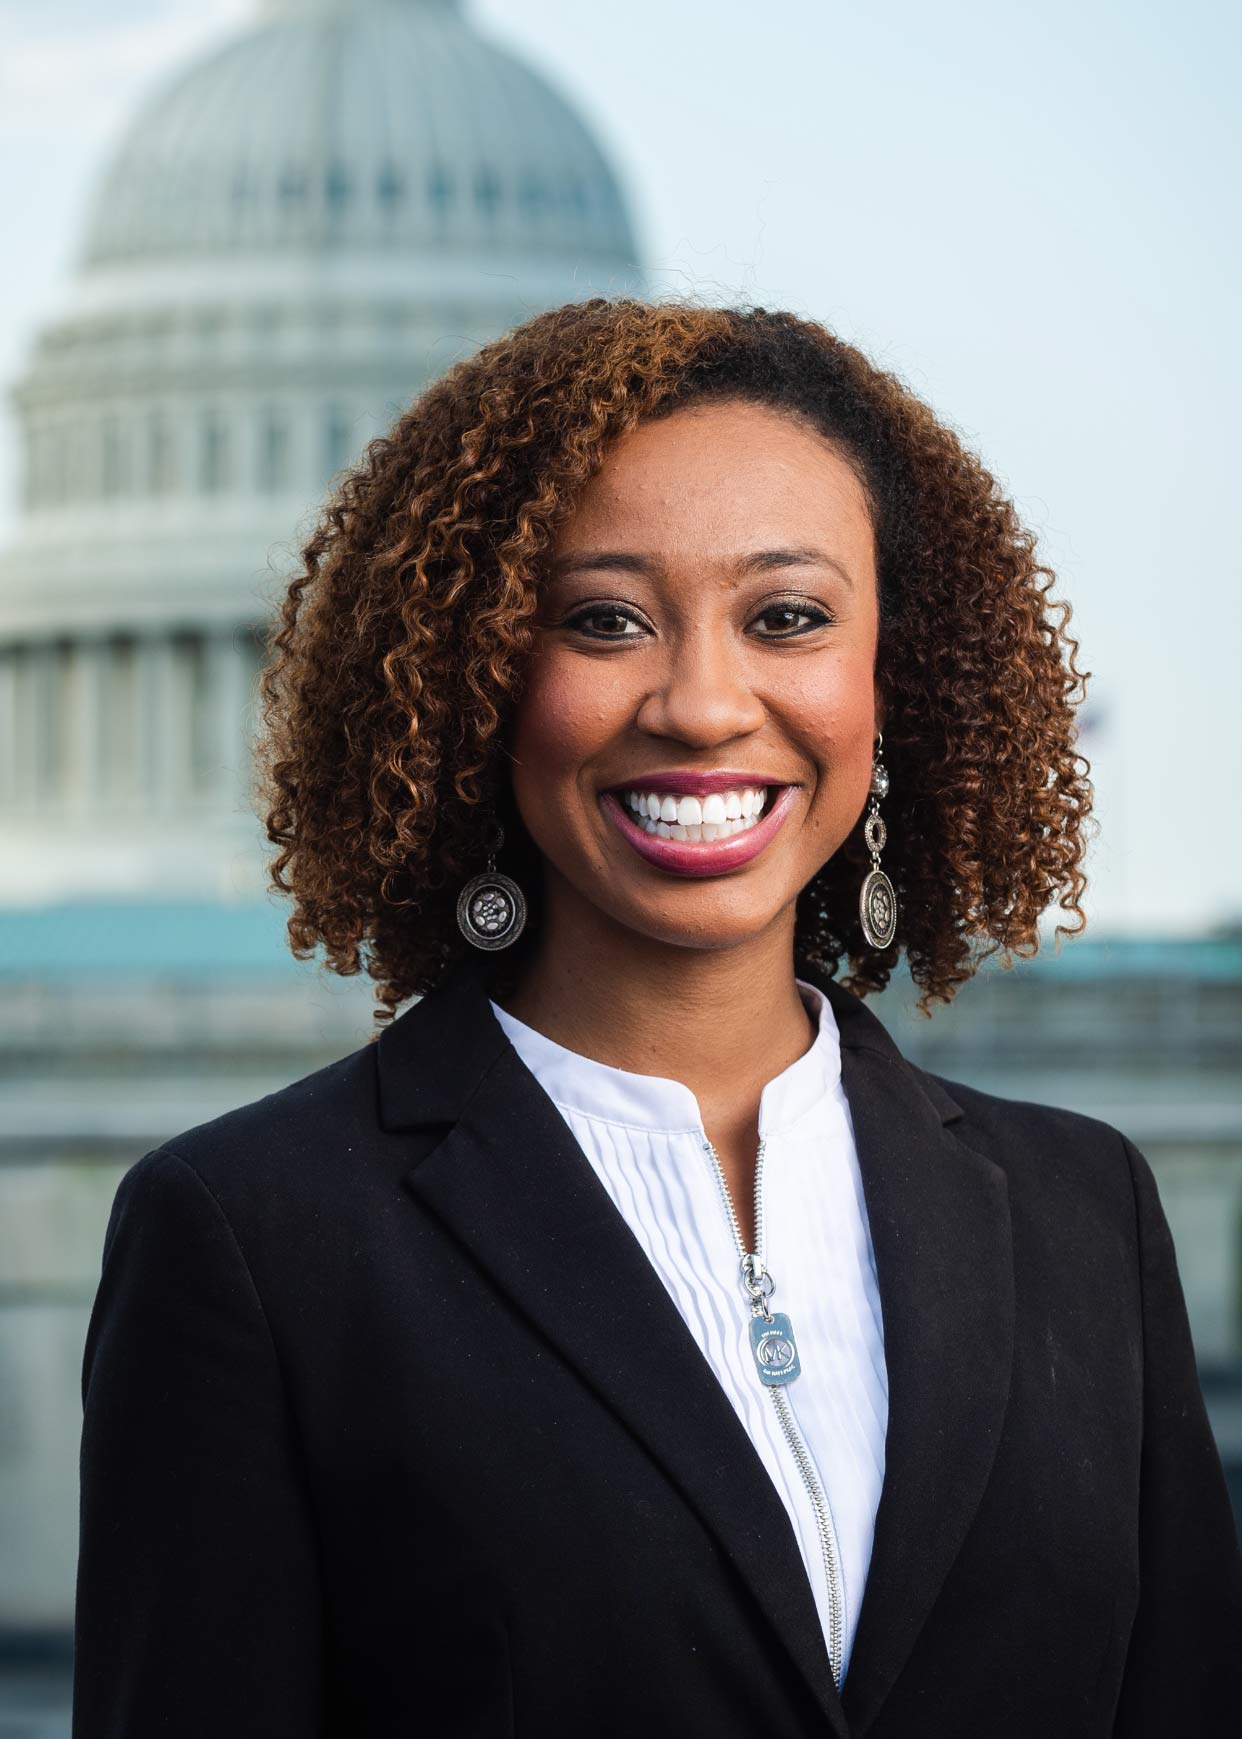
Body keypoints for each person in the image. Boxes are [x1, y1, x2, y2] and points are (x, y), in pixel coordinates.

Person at [72, 298, 1242, 1738]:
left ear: (896, 676)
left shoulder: (1082, 1215)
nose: (701, 704)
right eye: (604, 619)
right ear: (471, 676)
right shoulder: (257, 1238)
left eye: (788, 617)